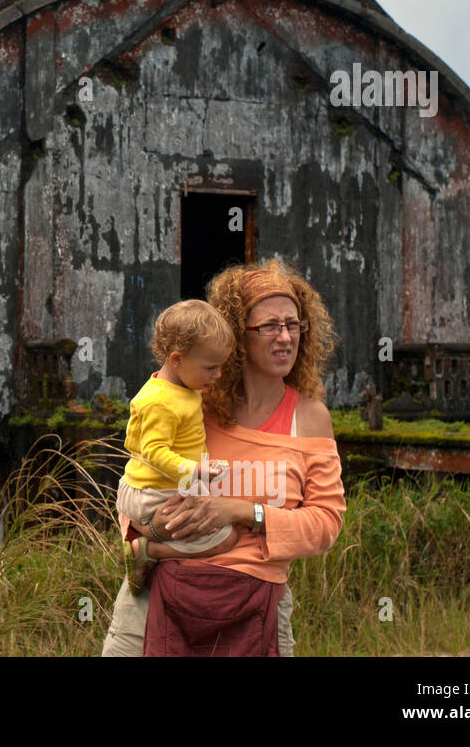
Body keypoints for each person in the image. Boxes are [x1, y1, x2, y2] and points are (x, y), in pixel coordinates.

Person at [101, 258, 346, 656]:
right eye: (269, 326)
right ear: (235, 336)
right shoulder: (192, 403)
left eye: (294, 323)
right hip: (160, 595)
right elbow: (139, 480)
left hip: (256, 606)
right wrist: (155, 530)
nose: (285, 337)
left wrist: (244, 511)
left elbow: (326, 524)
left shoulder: (310, 418)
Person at [118, 299, 240, 595]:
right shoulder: (160, 402)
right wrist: (196, 470)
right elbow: (153, 451)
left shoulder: (179, 388)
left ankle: (148, 541)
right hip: (155, 493)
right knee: (227, 539)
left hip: (161, 487)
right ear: (176, 359)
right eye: (211, 367)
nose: (218, 375)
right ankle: (148, 550)